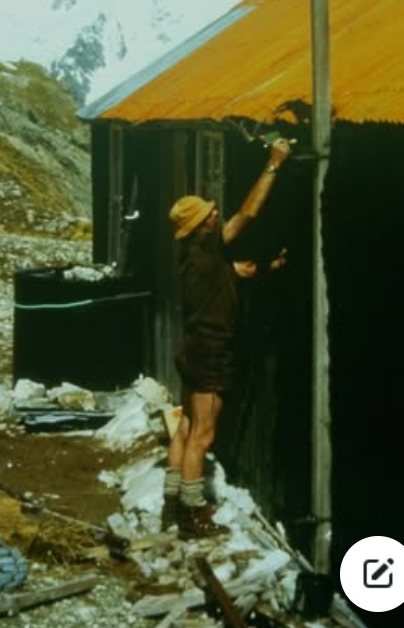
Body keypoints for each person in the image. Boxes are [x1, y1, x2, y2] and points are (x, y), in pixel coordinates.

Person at [162, 137, 291, 540]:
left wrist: (266, 267)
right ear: (202, 228)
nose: (217, 213)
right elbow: (250, 212)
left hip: (192, 349)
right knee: (204, 435)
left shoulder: (196, 261)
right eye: (210, 214)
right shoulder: (210, 250)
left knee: (185, 429)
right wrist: (274, 163)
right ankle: (194, 517)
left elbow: (233, 275)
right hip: (211, 351)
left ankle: (172, 502)